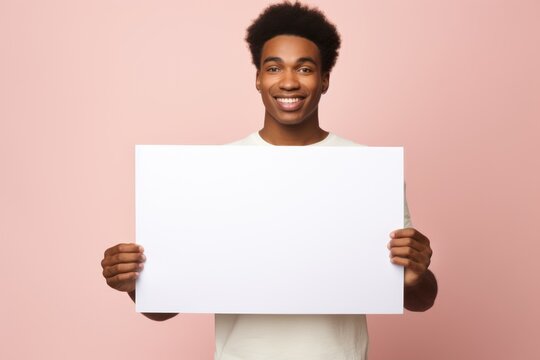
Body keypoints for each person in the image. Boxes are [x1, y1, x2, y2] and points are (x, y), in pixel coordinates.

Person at [101, 2, 438, 359]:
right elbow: (163, 307)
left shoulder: (366, 170)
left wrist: (416, 273)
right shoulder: (214, 173)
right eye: (274, 67)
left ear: (324, 80)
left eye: (304, 68)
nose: (289, 81)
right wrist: (133, 283)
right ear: (258, 78)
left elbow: (421, 298)